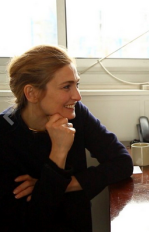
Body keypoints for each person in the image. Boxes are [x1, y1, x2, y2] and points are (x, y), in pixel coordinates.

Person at [0, 45, 133, 231]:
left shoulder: (76, 113)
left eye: (76, 84)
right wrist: (59, 151)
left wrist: (53, 185)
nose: (77, 96)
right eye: (66, 87)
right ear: (31, 93)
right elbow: (32, 221)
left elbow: (122, 163)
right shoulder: (4, 135)